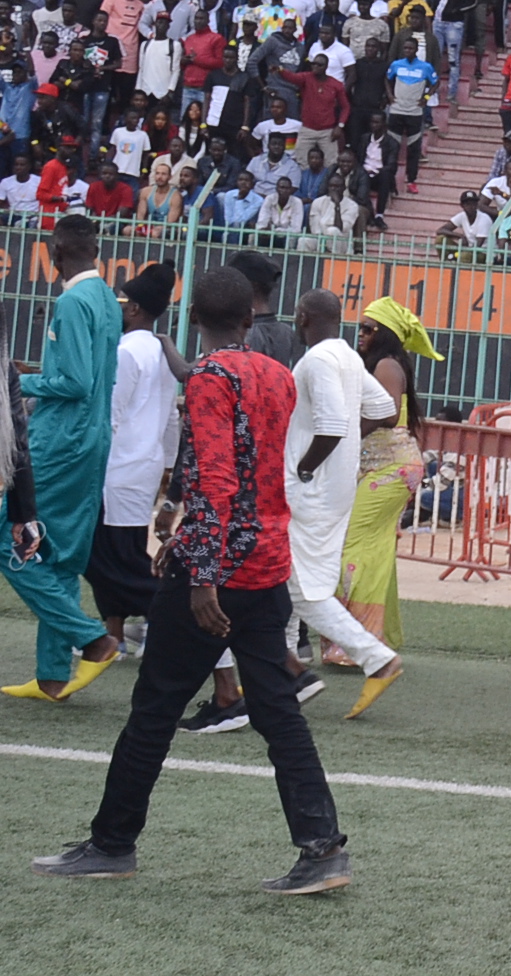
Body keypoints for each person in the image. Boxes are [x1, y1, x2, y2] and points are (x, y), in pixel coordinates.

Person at [31, 265, 350, 894]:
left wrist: (198, 571)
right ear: (249, 317)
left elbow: (216, 480)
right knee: (278, 708)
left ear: (194, 319)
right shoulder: (277, 375)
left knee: (154, 706)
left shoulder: (211, 376)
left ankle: (113, 842)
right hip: (266, 559)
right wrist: (185, 528)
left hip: (218, 567)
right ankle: (322, 848)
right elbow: (246, 467)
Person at [1, 215, 125, 700]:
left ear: (54, 252)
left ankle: (92, 638)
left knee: (11, 535)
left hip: (63, 439)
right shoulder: (108, 301)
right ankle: (53, 677)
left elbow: (74, 382)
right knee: (62, 553)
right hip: (93, 436)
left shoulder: (72, 301)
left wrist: (16, 380)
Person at [283, 289, 406, 719]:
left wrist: (304, 467)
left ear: (302, 316)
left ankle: (376, 658)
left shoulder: (317, 360)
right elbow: (384, 409)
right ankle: (287, 671)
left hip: (311, 490)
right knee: (288, 578)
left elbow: (333, 425)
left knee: (298, 585)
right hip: (335, 491)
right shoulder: (349, 358)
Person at [83, 263, 179, 651]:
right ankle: (115, 636)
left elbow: (110, 417)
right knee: (124, 554)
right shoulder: (163, 351)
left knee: (112, 562)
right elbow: (173, 418)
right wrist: (169, 466)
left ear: (135, 309)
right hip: (145, 468)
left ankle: (174, 623)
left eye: (124, 302)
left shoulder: (126, 352)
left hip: (116, 470)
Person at [332, 298, 435, 660]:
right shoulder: (380, 364)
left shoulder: (388, 365)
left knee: (353, 545)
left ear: (385, 335)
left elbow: (388, 414)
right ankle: (369, 637)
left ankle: (356, 640)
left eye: (369, 329)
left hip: (390, 468)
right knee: (374, 548)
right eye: (360, 327)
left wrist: (349, 438)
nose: (360, 334)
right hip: (385, 468)